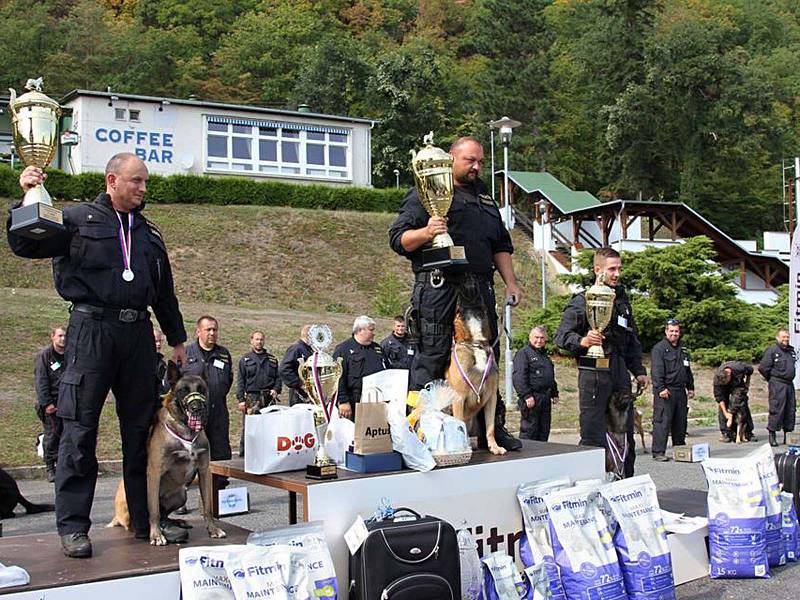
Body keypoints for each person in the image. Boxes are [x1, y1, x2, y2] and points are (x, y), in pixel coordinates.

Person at [6, 154, 188, 558]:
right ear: (112, 180)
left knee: (141, 431)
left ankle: (146, 521)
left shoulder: (149, 234)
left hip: (138, 335)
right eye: (136, 181)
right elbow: (24, 243)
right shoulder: (74, 219)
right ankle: (73, 528)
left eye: (145, 182)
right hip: (91, 330)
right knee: (79, 429)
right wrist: (26, 199)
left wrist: (177, 339)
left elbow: (164, 293)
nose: (143, 188)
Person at [388, 136, 522, 451]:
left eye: (479, 161)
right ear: (451, 159)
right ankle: (418, 429)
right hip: (438, 286)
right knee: (430, 358)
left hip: (478, 287)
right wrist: (426, 232)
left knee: (486, 359)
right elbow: (397, 239)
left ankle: (492, 429)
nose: (476, 167)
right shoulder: (424, 193)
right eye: (469, 160)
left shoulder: (486, 201)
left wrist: (511, 282)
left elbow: (501, 245)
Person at [555, 247, 648, 478]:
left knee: (625, 436)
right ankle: (589, 488)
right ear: (598, 270)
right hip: (593, 373)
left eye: (619, 268)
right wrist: (584, 340)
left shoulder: (622, 301)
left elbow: (632, 340)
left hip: (618, 372)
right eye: (612, 269)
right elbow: (561, 337)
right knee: (593, 437)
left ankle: (626, 486)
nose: (617, 274)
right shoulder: (582, 301)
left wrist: (639, 371)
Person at [184, 316, 233, 470]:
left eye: (215, 330)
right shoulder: (186, 354)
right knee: (193, 457)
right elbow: (174, 384)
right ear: (198, 331)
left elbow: (228, 379)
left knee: (220, 454)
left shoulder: (223, 354)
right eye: (208, 329)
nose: (212, 333)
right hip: (194, 416)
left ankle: (219, 491)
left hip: (217, 413)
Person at [650, 319, 695, 461]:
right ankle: (658, 452)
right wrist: (660, 388)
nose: (674, 334)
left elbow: (687, 370)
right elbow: (656, 371)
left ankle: (680, 450)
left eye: (676, 331)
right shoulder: (659, 349)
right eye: (671, 331)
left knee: (680, 422)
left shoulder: (683, 349)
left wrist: (691, 387)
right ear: (666, 331)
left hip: (680, 391)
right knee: (662, 422)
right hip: (665, 391)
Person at [236, 330, 281, 456]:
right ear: (251, 341)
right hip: (252, 398)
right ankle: (245, 455)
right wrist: (241, 400)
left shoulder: (272, 359)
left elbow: (278, 378)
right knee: (250, 428)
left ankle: (268, 454)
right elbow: (240, 381)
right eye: (256, 339)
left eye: (261, 339)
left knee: (269, 427)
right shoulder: (245, 360)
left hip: (268, 398)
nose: (259, 342)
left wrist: (276, 390)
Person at [333, 316, 387, 420]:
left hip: (376, 401)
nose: (374, 333)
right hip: (354, 402)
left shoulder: (377, 349)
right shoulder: (343, 350)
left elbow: (387, 371)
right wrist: (343, 401)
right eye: (371, 330)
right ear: (360, 330)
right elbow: (338, 377)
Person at [512, 326, 559, 441]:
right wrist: (526, 395)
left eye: (542, 338)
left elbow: (549, 376)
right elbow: (519, 377)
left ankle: (541, 456)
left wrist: (554, 392)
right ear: (530, 338)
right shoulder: (524, 354)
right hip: (532, 398)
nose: (539, 340)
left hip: (545, 398)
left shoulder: (544, 355)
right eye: (536, 337)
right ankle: (526, 457)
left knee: (543, 430)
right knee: (530, 430)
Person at [34, 326, 67, 483]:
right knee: (51, 436)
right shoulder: (45, 356)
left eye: (65, 336)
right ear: (53, 337)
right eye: (60, 335)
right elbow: (41, 381)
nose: (63, 339)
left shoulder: (70, 355)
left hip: (67, 403)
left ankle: (63, 466)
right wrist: (47, 403)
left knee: (66, 436)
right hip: (51, 404)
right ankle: (50, 467)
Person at [758, 330, 796, 447]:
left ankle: (787, 435)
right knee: (777, 408)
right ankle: (772, 435)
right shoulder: (772, 350)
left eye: (787, 337)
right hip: (777, 383)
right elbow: (763, 368)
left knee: (790, 410)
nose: (786, 339)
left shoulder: (791, 350)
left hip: (789, 384)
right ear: (778, 338)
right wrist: (772, 379)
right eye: (784, 337)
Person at [713, 360, 756, 442]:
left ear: (729, 375)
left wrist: (747, 383)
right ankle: (726, 433)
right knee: (723, 406)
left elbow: (750, 370)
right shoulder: (718, 378)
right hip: (724, 389)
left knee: (741, 403)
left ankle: (748, 432)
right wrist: (726, 413)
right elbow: (719, 397)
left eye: (726, 381)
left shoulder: (740, 368)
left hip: (738, 384)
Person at [279, 324, 314, 406]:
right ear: (310, 335)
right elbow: (284, 369)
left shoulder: (310, 350)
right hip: (299, 396)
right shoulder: (296, 349)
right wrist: (299, 384)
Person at [153, 328, 170, 403]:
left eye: (160, 341)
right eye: (155, 341)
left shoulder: (162, 364)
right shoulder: (141, 362)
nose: (158, 344)